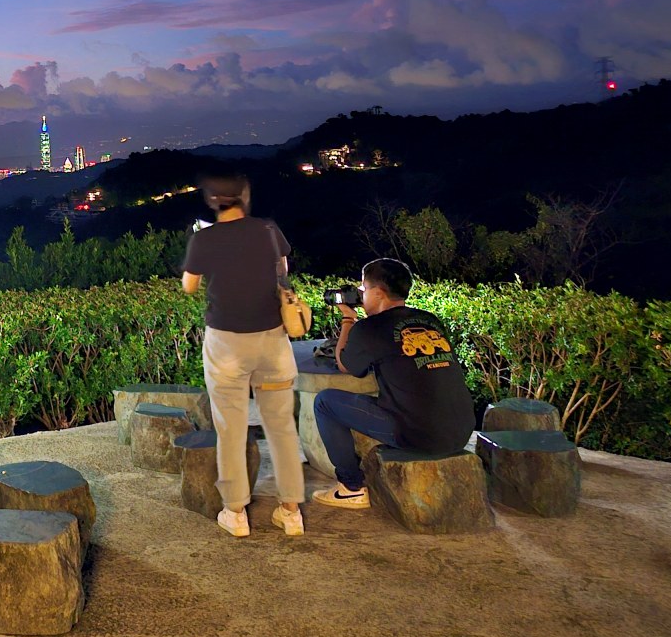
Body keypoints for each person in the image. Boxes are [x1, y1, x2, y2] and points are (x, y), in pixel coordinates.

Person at [181, 173, 307, 538]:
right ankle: (291, 511)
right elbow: (282, 270)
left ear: (212, 202)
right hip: (271, 340)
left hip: (227, 343)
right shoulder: (267, 230)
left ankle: (236, 513)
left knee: (230, 427)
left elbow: (190, 286)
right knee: (282, 427)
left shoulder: (204, 238)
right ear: (244, 197)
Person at [310, 258, 474, 509]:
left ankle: (351, 487)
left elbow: (347, 365)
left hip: (419, 435)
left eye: (363, 289)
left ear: (378, 293)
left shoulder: (370, 327)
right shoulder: (429, 319)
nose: (360, 294)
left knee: (325, 402)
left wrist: (347, 319)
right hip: (461, 430)